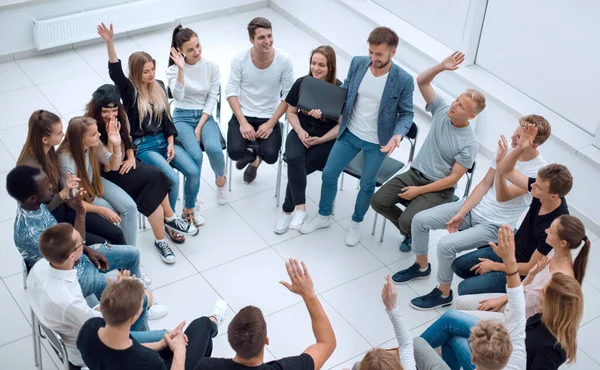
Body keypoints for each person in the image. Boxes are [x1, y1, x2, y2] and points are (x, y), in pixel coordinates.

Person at [392, 115, 550, 310]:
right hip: (474, 207)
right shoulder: (506, 150)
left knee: (445, 245)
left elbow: (502, 195)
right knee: (420, 220)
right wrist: (462, 211)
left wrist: (502, 165)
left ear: (533, 144)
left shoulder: (539, 172)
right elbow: (484, 184)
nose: (512, 137)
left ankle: (443, 293)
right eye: (515, 132)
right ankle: (422, 267)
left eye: (518, 137)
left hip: (495, 225)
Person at [300, 26, 415, 247]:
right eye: (371, 52)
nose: (373, 58)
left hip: (376, 142)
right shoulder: (358, 63)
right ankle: (324, 215)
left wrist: (398, 135)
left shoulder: (403, 79)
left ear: (393, 52)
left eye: (379, 54)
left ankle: (356, 222)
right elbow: (345, 91)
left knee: (367, 184)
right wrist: (323, 107)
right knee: (329, 174)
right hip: (350, 132)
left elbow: (407, 113)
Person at [369, 51, 482, 253]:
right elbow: (422, 81)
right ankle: (411, 230)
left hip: (439, 188)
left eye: (461, 106)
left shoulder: (469, 143)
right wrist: (441, 66)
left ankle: (411, 231)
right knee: (378, 201)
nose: (455, 105)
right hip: (415, 174)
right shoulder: (442, 109)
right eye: (457, 100)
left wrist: (418, 191)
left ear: (471, 116)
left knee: (406, 220)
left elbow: (452, 179)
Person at [97, 23, 203, 228]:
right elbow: (116, 72)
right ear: (137, 73)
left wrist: (171, 142)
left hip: (164, 140)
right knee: (171, 179)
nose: (151, 74)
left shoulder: (159, 86)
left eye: (153, 69)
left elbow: (166, 119)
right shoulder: (130, 92)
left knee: (193, 171)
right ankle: (168, 222)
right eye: (146, 71)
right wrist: (109, 42)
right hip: (144, 146)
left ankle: (188, 210)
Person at [28, 219, 167, 369]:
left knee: (144, 301)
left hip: (75, 324)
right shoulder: (68, 301)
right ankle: (139, 353)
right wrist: (123, 296)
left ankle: (141, 330)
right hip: (91, 348)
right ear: (71, 257)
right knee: (167, 335)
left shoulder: (39, 267)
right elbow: (105, 322)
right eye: (80, 243)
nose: (83, 241)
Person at [452, 125, 572, 296]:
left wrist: (496, 266)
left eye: (537, 187)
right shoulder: (541, 190)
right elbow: (506, 170)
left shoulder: (554, 227)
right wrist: (521, 147)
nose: (532, 188)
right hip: (511, 250)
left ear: (554, 196)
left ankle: (499, 290)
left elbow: (531, 267)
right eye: (535, 182)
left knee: (464, 289)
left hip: (519, 269)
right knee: (459, 266)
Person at [86, 84, 198, 264]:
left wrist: (130, 157)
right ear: (97, 108)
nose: (110, 115)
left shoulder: (121, 117)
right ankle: (169, 220)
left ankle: (161, 239)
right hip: (108, 172)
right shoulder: (91, 126)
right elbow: (109, 166)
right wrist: (113, 141)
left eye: (114, 110)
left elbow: (128, 141)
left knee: (154, 184)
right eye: (106, 111)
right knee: (155, 177)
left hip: (124, 162)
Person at [7, 165, 156, 298]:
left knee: (133, 253)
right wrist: (80, 214)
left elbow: (73, 248)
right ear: (33, 197)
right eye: (46, 185)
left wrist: (87, 250)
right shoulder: (32, 234)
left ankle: (136, 292)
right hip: (72, 277)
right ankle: (139, 307)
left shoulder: (34, 206)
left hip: (75, 255)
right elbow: (71, 259)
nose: (52, 186)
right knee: (128, 294)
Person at [418, 225, 526, 370]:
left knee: (435, 335)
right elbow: (517, 301)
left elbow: (517, 299)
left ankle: (405, 357)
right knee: (453, 337)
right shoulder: (518, 358)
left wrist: (509, 260)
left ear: (473, 359)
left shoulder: (518, 351)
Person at [194, 259, 336, 370]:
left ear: (230, 340)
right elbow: (326, 343)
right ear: (266, 341)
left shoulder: (206, 366)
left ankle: (211, 321)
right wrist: (309, 295)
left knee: (199, 326)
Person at [17, 109, 127, 246]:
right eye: (59, 133)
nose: (64, 135)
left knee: (115, 233)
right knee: (101, 243)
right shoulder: (32, 169)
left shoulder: (47, 149)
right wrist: (64, 193)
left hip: (65, 209)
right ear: (44, 139)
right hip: (50, 220)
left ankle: (127, 263)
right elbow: (41, 209)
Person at [455, 214, 590, 322]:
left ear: (563, 243)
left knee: (458, 318)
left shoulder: (560, 278)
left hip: (517, 319)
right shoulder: (553, 252)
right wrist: (502, 299)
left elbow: (531, 306)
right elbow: (526, 288)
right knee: (460, 303)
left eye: (551, 230)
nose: (546, 230)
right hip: (514, 301)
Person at [77, 278, 227, 370]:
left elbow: (123, 349)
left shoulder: (90, 329)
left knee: (202, 342)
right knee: (202, 325)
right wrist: (179, 351)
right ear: (134, 318)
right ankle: (212, 321)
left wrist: (160, 344)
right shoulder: (147, 361)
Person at [274, 45, 341, 234]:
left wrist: (320, 139)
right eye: (313, 63)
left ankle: (287, 211)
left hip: (325, 139)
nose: (316, 68)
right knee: (294, 159)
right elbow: (291, 112)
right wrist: (301, 131)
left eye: (321, 65)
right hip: (300, 130)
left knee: (298, 167)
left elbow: (341, 125)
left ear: (330, 67)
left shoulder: (338, 90)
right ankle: (300, 209)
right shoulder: (302, 83)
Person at [225, 17, 294, 184]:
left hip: (268, 115)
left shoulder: (284, 60)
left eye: (269, 36)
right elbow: (231, 92)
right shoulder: (240, 59)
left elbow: (288, 96)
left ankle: (254, 161)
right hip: (245, 113)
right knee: (234, 152)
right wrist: (242, 122)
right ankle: (251, 155)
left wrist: (270, 124)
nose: (267, 41)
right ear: (251, 40)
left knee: (271, 156)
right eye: (261, 37)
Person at [167, 25, 228, 205]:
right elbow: (177, 96)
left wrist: (200, 126)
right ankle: (194, 198)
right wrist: (181, 70)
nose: (197, 52)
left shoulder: (211, 67)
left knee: (214, 149)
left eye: (198, 46)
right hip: (181, 117)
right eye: (190, 49)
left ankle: (221, 179)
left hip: (204, 115)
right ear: (180, 51)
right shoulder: (173, 70)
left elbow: (212, 98)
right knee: (196, 156)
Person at [57, 116, 139, 248]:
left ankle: (131, 255)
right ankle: (126, 255)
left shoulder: (93, 144)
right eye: (94, 134)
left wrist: (117, 144)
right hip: (82, 195)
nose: (99, 135)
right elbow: (71, 200)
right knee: (114, 213)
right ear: (81, 139)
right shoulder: (66, 161)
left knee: (130, 208)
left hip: (95, 182)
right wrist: (102, 210)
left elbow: (113, 165)